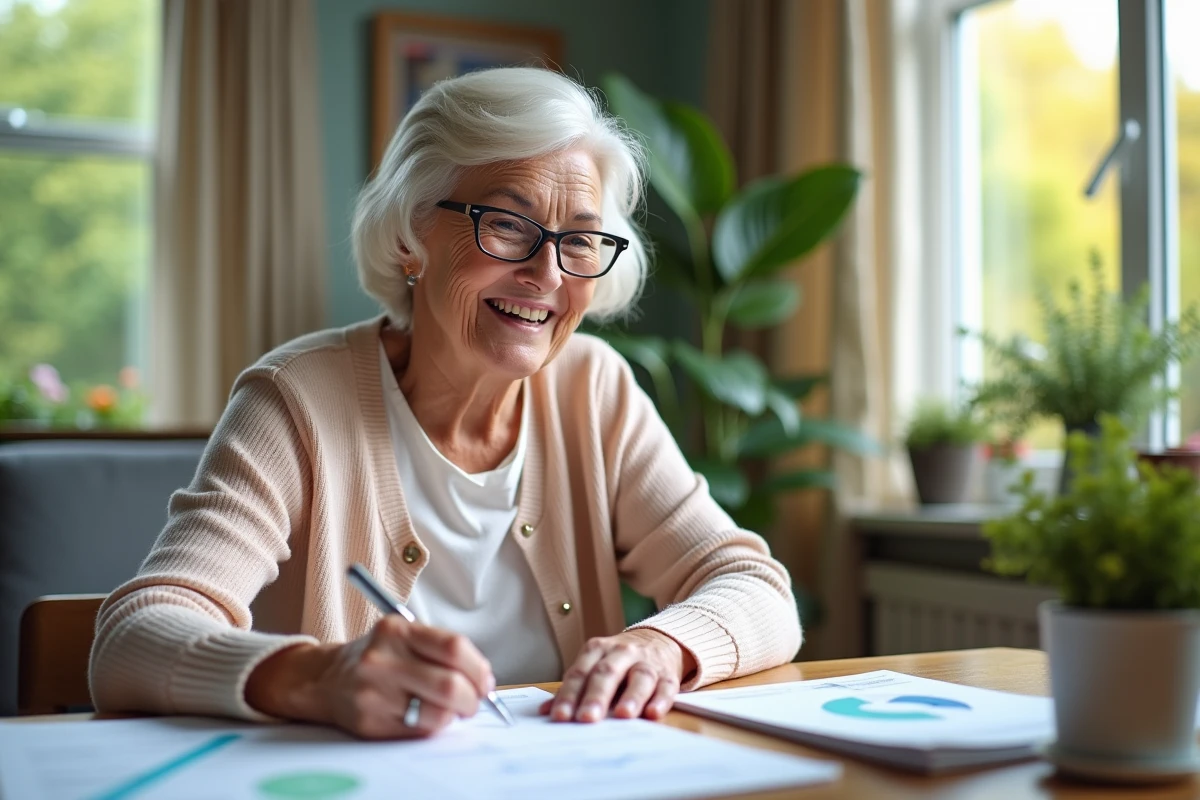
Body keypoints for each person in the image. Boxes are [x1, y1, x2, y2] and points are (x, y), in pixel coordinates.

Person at [89, 66, 801, 740]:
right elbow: (132, 638)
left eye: (579, 240)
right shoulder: (297, 401)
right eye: (508, 225)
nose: (545, 273)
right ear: (410, 235)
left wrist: (660, 644)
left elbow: (756, 587)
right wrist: (315, 676)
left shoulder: (595, 390)